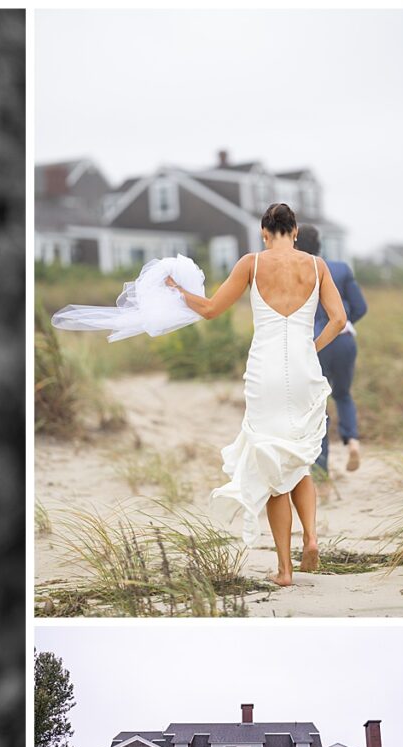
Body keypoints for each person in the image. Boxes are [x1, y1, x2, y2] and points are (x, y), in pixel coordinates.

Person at [166, 202, 347, 587]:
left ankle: (285, 571)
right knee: (298, 458)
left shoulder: (251, 262)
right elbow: (340, 319)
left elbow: (212, 309)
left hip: (264, 371)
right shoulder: (317, 266)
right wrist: (311, 349)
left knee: (271, 463)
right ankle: (311, 537)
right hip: (303, 368)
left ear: (264, 233)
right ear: (295, 231)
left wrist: (180, 293)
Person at [294, 224, 367, 475]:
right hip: (345, 339)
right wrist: (343, 325)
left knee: (317, 402)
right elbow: (360, 307)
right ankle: (353, 442)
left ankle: (321, 464)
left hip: (315, 345)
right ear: (319, 246)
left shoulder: (294, 272)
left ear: (296, 245)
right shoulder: (341, 269)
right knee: (344, 394)